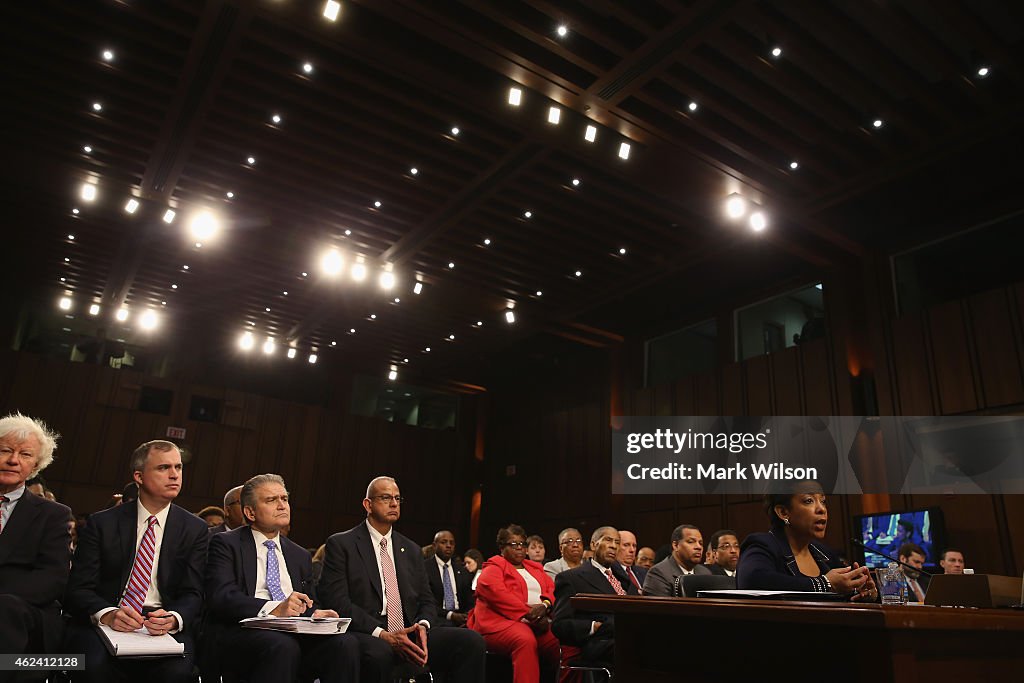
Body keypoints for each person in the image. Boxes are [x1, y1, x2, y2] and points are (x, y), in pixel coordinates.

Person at [64, 439, 209, 682]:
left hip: (161, 623)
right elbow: (78, 589)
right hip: (107, 620)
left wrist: (174, 618)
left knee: (177, 673)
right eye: (163, 468)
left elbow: (194, 592)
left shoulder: (195, 529)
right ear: (139, 477)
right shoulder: (102, 523)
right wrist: (108, 614)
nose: (174, 475)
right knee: (93, 667)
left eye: (178, 467)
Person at [318, 476, 485, 683]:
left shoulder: (411, 549)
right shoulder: (342, 544)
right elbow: (337, 601)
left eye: (397, 498)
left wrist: (423, 626)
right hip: (370, 631)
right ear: (367, 505)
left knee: (471, 641)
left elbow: (426, 599)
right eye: (386, 497)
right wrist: (383, 634)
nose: (394, 503)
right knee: (380, 653)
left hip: (410, 630)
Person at [205, 474, 360, 682]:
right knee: (282, 646)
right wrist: (274, 608)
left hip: (294, 632)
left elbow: (305, 601)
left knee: (345, 644)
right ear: (250, 512)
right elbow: (222, 597)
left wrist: (316, 614)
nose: (282, 506)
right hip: (242, 632)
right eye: (271, 500)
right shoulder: (225, 543)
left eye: (284, 499)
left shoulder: (299, 554)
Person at [0, 413, 72, 669]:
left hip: (22, 611)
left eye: (25, 455)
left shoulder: (53, 514)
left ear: (36, 465)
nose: (13, 460)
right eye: (6, 450)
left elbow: (52, 579)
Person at [736, 482, 877, 600]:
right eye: (809, 500)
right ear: (783, 512)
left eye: (823, 501)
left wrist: (862, 593)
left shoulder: (824, 553)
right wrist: (824, 584)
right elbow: (752, 579)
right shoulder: (763, 544)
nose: (821, 509)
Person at [468, 524, 559, 683]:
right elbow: (498, 594)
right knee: (524, 640)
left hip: (537, 622)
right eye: (514, 544)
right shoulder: (494, 567)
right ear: (502, 548)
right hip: (499, 624)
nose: (520, 548)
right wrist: (529, 615)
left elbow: (551, 589)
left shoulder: (535, 567)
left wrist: (545, 605)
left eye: (523, 544)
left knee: (560, 641)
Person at [552, 526, 636, 672]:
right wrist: (593, 626)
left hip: (631, 633)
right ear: (593, 545)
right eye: (608, 540)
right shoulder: (571, 578)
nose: (613, 546)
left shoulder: (624, 577)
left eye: (617, 542)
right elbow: (559, 625)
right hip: (601, 642)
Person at [642, 524, 711, 596]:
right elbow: (660, 607)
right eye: (691, 542)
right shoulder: (658, 574)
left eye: (701, 543)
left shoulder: (705, 573)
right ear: (675, 545)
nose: (698, 547)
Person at [425, 529, 474, 626]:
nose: (448, 546)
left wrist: (468, 614)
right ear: (434, 545)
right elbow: (426, 601)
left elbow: (469, 599)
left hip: (462, 620)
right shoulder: (425, 568)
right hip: (436, 619)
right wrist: (450, 615)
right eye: (444, 542)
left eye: (452, 543)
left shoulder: (462, 571)